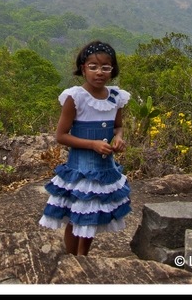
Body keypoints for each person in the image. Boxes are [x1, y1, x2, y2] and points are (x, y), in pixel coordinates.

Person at [38, 40, 131, 256]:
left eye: (105, 67)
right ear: (83, 68)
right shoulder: (75, 97)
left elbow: (118, 127)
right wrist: (92, 144)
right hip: (79, 170)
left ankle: (84, 259)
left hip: (104, 170)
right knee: (76, 215)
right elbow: (61, 136)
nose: (99, 72)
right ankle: (72, 259)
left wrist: (118, 139)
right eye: (93, 67)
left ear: (112, 70)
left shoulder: (116, 97)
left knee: (92, 216)